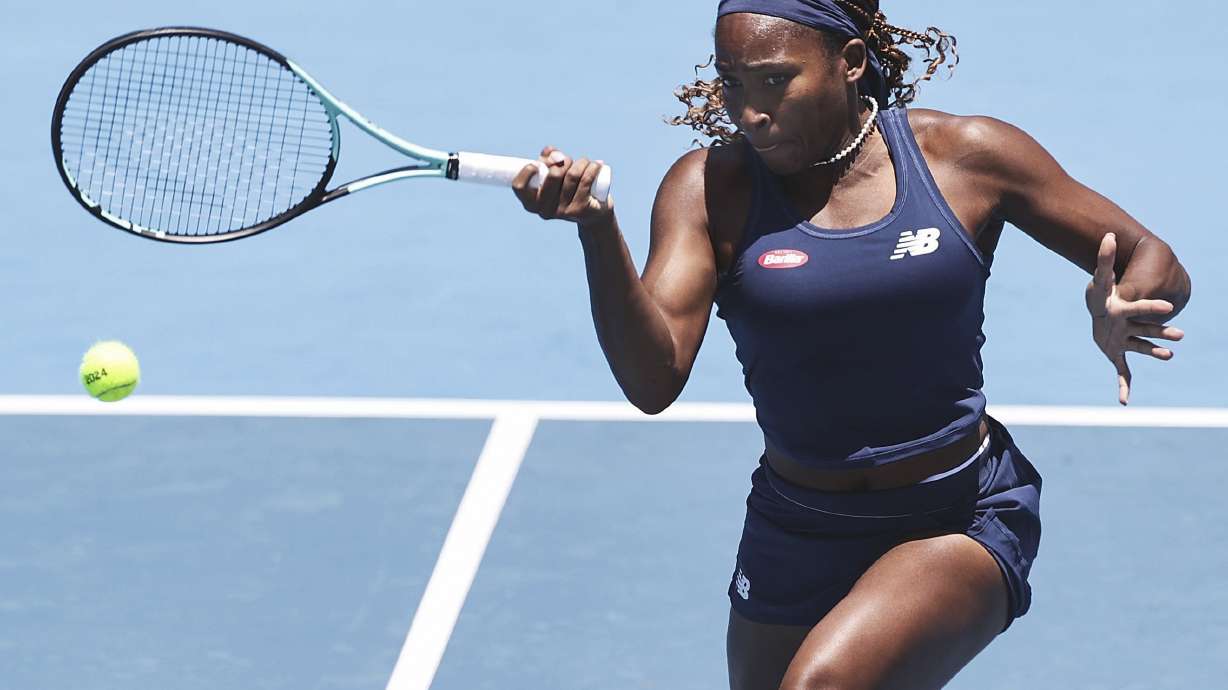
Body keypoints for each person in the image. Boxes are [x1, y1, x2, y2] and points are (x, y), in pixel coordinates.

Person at [511, 0, 1192, 687]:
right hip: (795, 523)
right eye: (733, 82)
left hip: (955, 513)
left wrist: (1124, 303)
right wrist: (597, 230)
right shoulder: (709, 189)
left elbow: (1152, 257)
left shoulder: (966, 156)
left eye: (775, 80)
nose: (750, 112)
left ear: (851, 63)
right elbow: (652, 381)